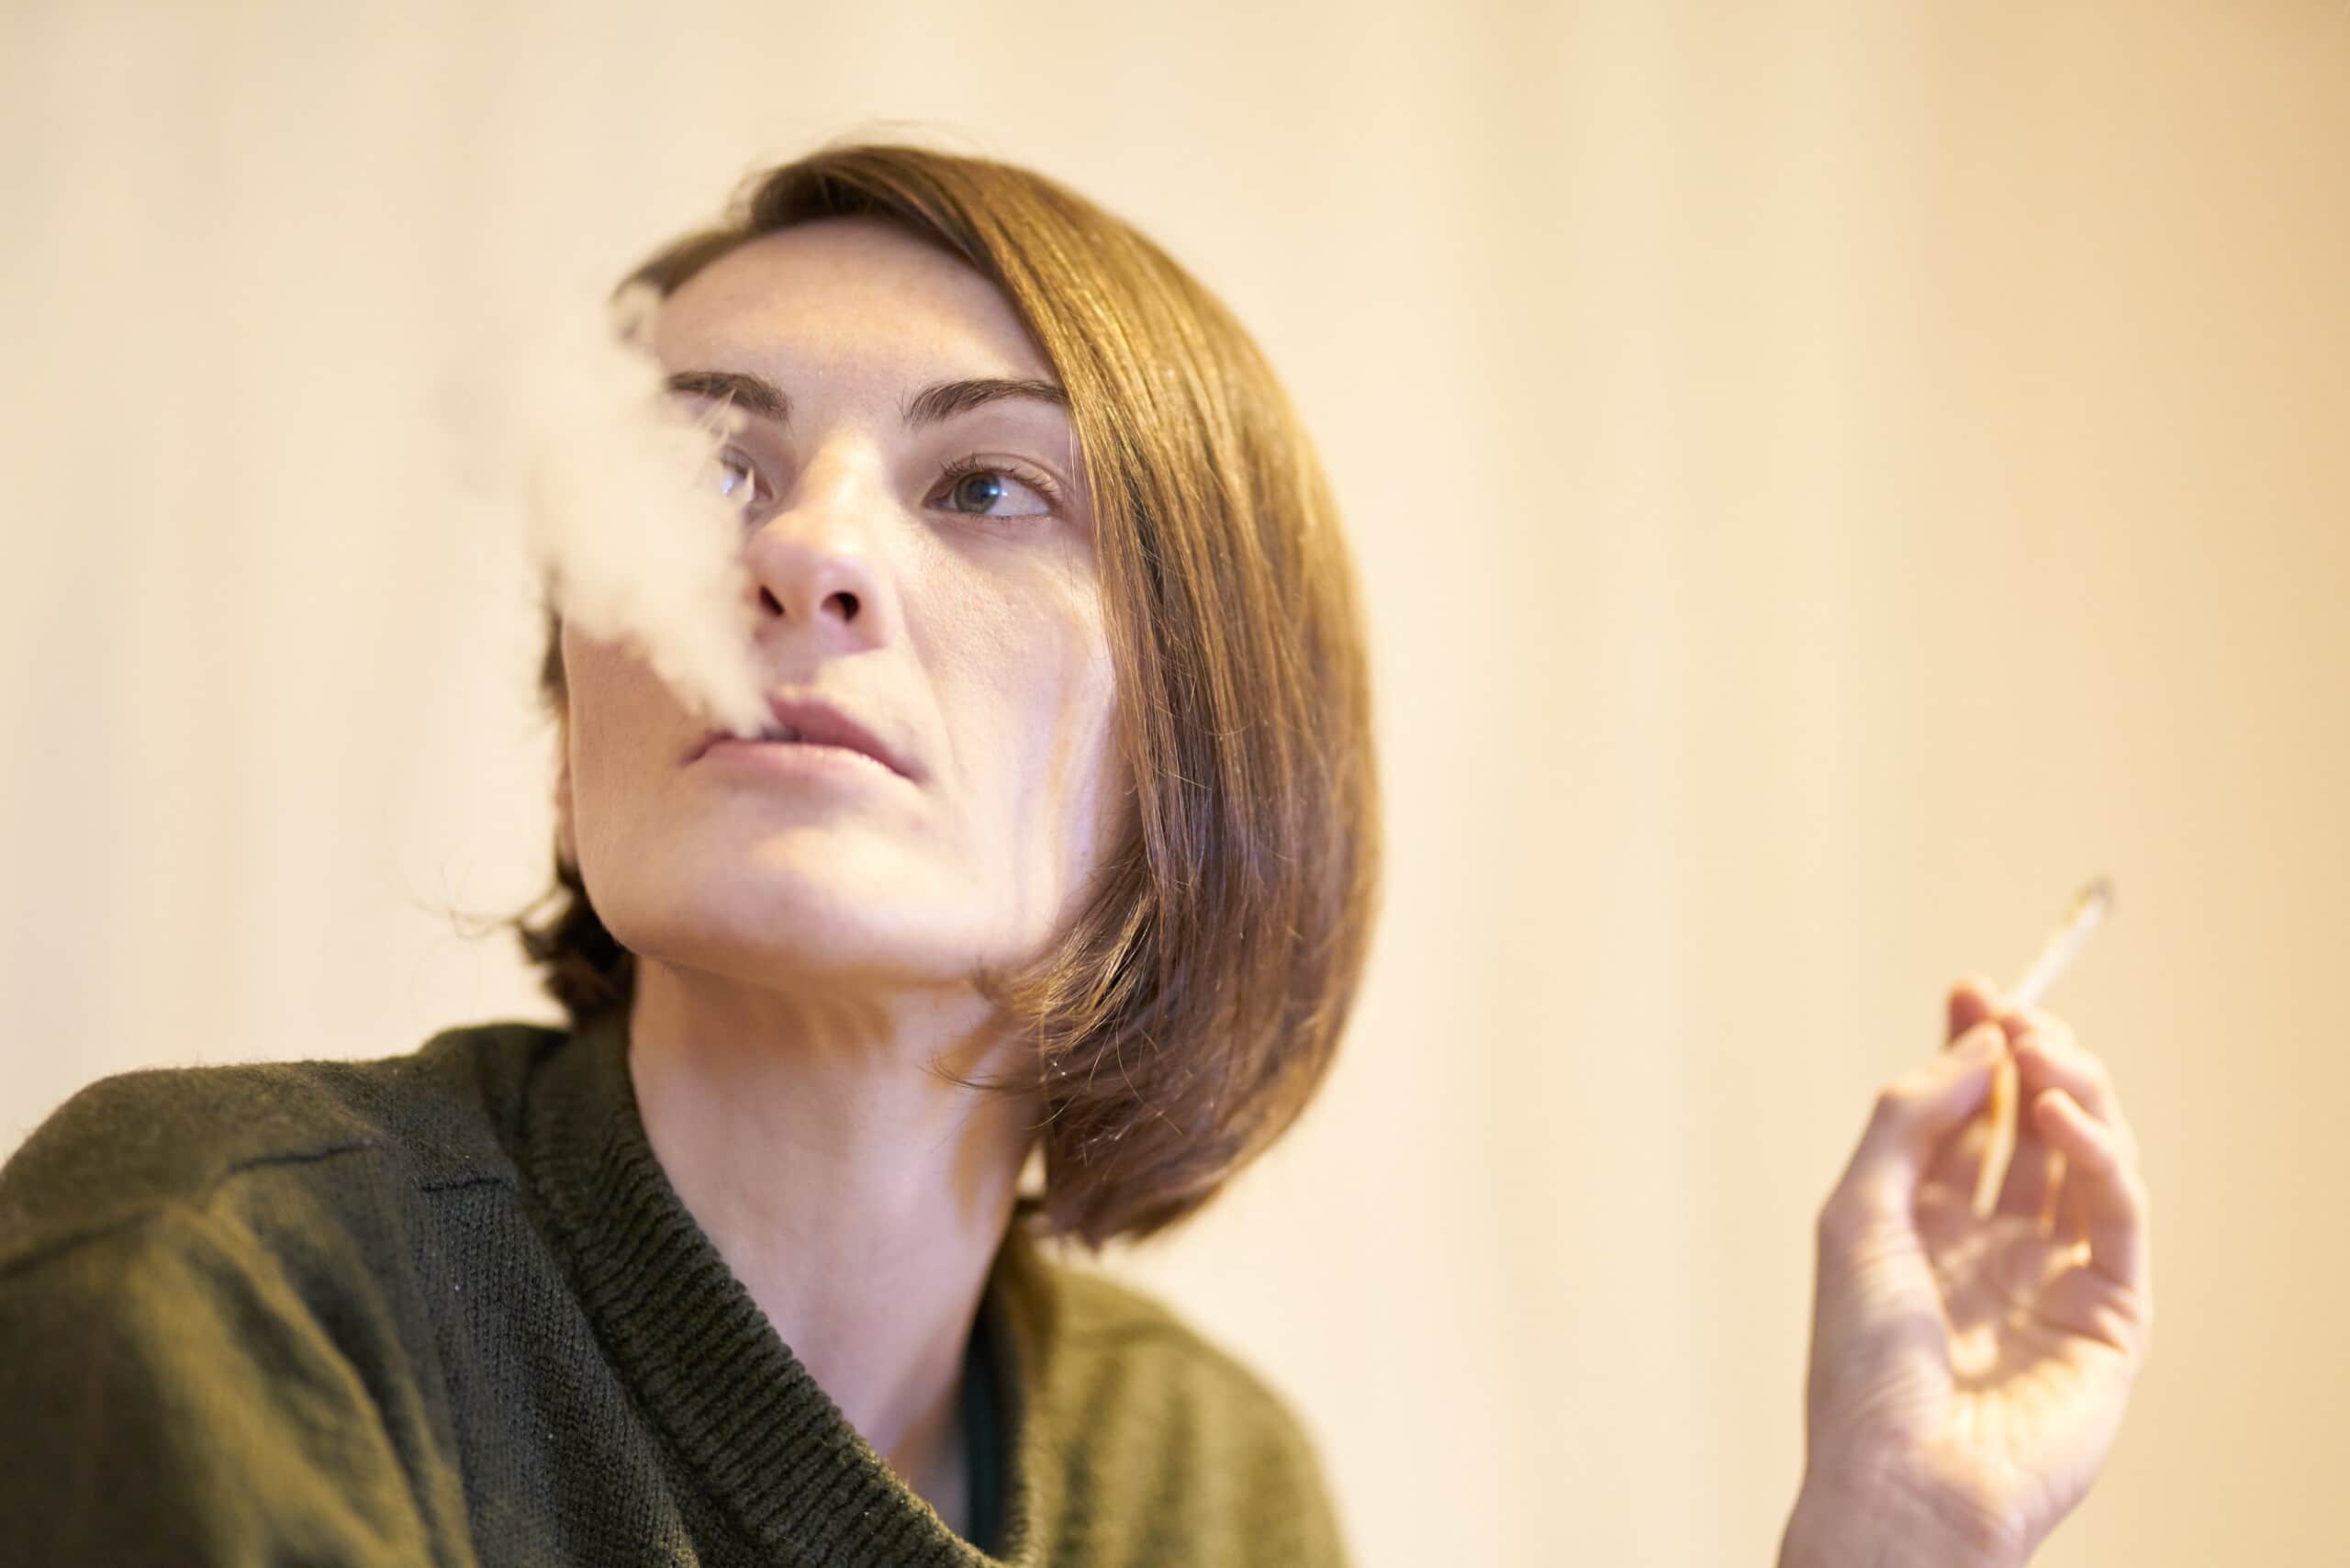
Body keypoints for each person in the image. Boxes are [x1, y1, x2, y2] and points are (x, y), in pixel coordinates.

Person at [0, 142, 2150, 1567]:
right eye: (705, 461)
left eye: (989, 490)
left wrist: (1880, 1534)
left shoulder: (1199, 1490)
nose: (803, 548)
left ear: (1205, 753)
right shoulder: (209, 1277)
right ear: (581, 721)